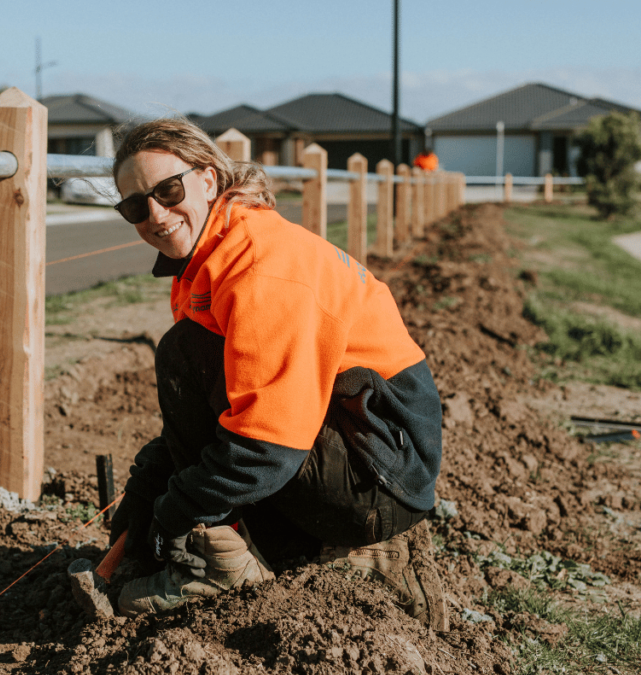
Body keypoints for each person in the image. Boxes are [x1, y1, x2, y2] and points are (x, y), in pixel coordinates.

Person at [107, 118, 447, 629]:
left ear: (206, 179)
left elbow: (267, 446)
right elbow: (217, 411)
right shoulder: (213, 256)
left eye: (168, 189)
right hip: (365, 455)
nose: (154, 214)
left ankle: (223, 563)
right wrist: (147, 496)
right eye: (136, 205)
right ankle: (330, 553)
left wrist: (175, 512)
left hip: (380, 480)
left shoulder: (261, 267)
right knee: (192, 360)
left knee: (182, 354)